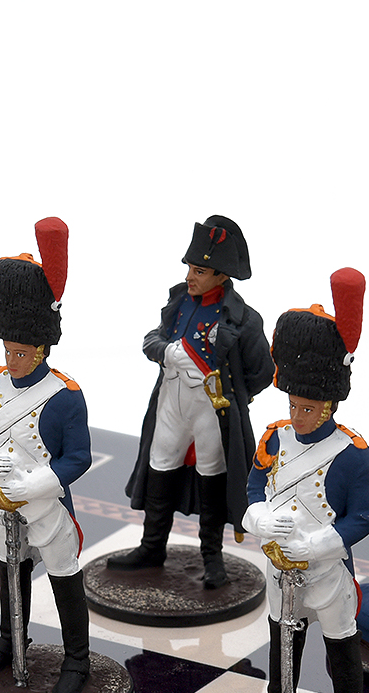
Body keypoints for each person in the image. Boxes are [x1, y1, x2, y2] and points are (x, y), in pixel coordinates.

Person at [234, 270, 369, 693]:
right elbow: (254, 488)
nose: (298, 416)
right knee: (281, 641)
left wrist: (315, 546)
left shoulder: (352, 453)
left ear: (329, 404)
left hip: (327, 572)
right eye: (294, 405)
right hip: (279, 568)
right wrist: (258, 519)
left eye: (308, 409)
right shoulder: (274, 436)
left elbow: (363, 518)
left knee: (341, 648)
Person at [108, 216, 274, 587]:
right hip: (171, 399)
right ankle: (152, 546)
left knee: (212, 477)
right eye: (190, 268)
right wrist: (166, 352)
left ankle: (212, 557)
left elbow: (262, 372)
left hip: (210, 407)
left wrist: (231, 396)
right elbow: (155, 337)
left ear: (221, 275)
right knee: (160, 466)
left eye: (199, 271)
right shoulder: (179, 300)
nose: (190, 277)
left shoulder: (245, 320)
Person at [0, 219, 94, 693]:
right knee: (9, 573)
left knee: (63, 577)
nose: (12, 360)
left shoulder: (65, 395)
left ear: (40, 348)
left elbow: (77, 458)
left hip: (46, 505)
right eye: (8, 350)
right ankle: (10, 639)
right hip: (2, 501)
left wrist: (35, 485)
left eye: (20, 353)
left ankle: (77, 658)